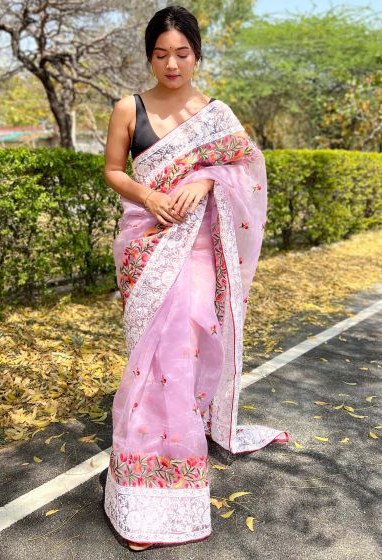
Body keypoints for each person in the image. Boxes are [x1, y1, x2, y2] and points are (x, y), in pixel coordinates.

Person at [103, 5, 289, 551]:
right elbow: (114, 169)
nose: (172, 64)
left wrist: (206, 181)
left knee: (180, 352)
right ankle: (138, 486)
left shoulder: (214, 114)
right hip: (146, 246)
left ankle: (173, 482)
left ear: (197, 54)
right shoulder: (127, 108)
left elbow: (245, 169)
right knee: (150, 359)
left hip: (200, 248)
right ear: (149, 57)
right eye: (161, 54)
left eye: (181, 53)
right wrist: (149, 194)